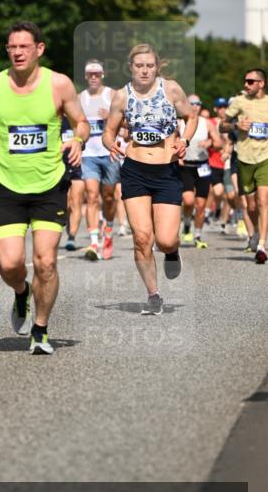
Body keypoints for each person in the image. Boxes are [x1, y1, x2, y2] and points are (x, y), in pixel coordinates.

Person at [0, 21, 89, 355]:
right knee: (10, 264)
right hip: (8, 185)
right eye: (12, 47)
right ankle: (21, 292)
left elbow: (80, 121)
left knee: (45, 263)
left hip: (49, 184)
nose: (17, 53)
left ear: (39, 49)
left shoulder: (59, 84)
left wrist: (79, 140)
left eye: (24, 47)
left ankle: (40, 330)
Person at [102, 43, 198, 315]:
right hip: (135, 170)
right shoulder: (122, 96)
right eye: (139, 66)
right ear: (130, 67)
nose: (144, 70)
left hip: (166, 172)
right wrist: (111, 144)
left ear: (157, 67)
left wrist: (185, 140)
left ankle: (171, 252)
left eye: (149, 66)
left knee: (165, 240)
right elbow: (108, 131)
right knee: (142, 237)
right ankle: (153, 294)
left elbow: (191, 117)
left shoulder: (171, 89)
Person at [220, 68, 268, 265]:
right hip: (244, 158)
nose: (246, 85)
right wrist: (235, 126)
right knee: (252, 204)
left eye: (250, 81)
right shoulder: (240, 102)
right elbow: (222, 125)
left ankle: (262, 246)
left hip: (265, 157)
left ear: (261, 84)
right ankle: (255, 233)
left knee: (264, 201)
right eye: (245, 81)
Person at [78, 60, 120, 260]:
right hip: (89, 155)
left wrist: (111, 117)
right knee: (92, 195)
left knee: (110, 196)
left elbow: (125, 121)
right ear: (86, 76)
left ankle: (109, 232)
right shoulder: (80, 98)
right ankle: (94, 241)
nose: (93, 77)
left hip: (109, 153)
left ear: (102, 74)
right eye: (90, 74)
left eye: (97, 73)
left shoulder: (111, 95)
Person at [177, 96, 222, 249]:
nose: (194, 106)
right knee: (188, 201)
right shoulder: (180, 122)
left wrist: (210, 143)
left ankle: (197, 235)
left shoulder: (206, 123)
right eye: (191, 104)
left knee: (201, 205)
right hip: (185, 167)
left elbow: (219, 143)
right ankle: (187, 223)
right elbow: (170, 140)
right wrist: (177, 156)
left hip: (202, 166)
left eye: (197, 104)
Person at [60, 116, 85, 251]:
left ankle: (72, 237)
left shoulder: (76, 121)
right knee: (67, 204)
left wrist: (78, 141)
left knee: (76, 202)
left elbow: (84, 142)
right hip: (59, 167)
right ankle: (69, 230)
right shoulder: (52, 120)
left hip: (77, 167)